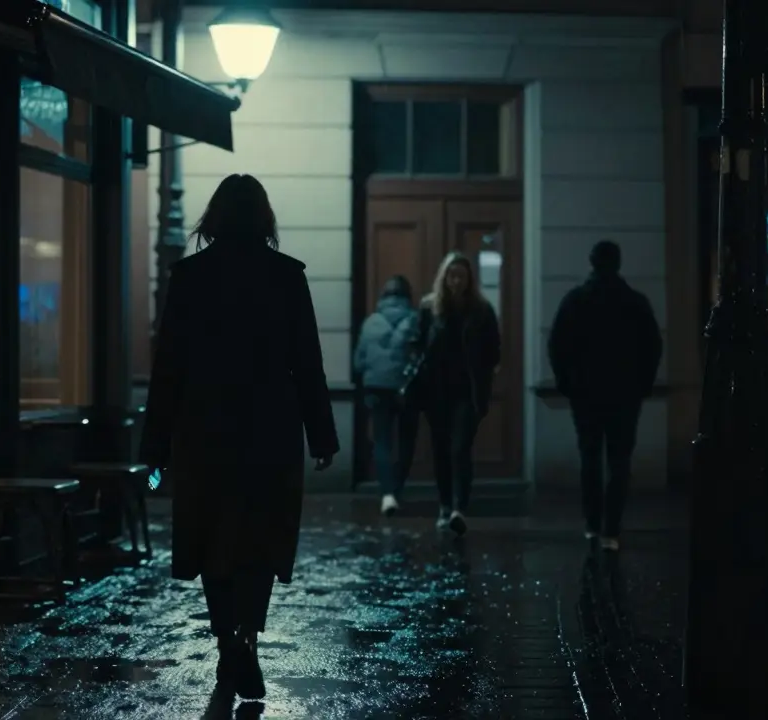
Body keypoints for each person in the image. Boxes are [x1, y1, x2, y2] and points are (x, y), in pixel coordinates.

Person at [138, 174, 339, 701]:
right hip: (270, 427)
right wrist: (322, 436)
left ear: (215, 218)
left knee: (211, 537)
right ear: (263, 218)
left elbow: (168, 370)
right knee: (260, 538)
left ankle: (228, 639)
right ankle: (247, 636)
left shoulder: (190, 276)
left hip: (204, 428)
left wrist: (153, 447)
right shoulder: (286, 276)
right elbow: (307, 364)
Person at [547, 240, 661, 552]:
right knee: (620, 460)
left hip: (585, 393)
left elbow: (557, 345)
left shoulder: (576, 301)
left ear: (592, 262)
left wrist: (566, 383)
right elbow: (652, 347)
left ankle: (592, 524)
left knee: (590, 457)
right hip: (625, 393)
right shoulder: (635, 302)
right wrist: (643, 385)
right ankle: (611, 528)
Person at [414, 252, 501, 536]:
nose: (456, 281)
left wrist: (485, 380)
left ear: (469, 279)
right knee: (441, 449)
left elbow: (493, 351)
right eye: (451, 275)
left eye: (461, 276)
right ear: (444, 277)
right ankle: (444, 505)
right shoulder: (429, 307)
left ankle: (459, 509)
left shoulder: (482, 310)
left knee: (460, 448)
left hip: (467, 390)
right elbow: (418, 345)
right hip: (436, 390)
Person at [353, 276, 422, 516]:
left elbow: (359, 361)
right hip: (406, 389)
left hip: (376, 388)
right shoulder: (415, 319)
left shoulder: (371, 322)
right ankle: (398, 489)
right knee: (406, 442)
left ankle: (387, 495)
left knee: (382, 441)